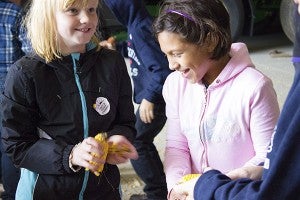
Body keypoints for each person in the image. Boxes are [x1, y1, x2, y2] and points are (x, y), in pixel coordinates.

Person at [156, 1, 300, 200]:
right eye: (166, 55)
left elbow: (268, 159)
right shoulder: (175, 85)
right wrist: (175, 188)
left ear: (210, 41)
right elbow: (177, 146)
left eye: (177, 54)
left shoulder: (255, 87)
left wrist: (214, 188)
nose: (171, 65)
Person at [0, 0, 139, 199]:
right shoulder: (25, 72)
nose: (86, 18)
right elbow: (18, 146)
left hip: (104, 191)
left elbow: (125, 122)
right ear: (47, 17)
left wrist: (115, 140)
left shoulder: (112, 62)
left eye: (91, 9)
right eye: (73, 10)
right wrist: (71, 155)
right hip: (45, 192)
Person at [101, 0, 172, 199]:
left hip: (156, 99)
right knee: (141, 140)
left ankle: (157, 193)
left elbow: (162, 69)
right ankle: (159, 191)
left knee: (138, 141)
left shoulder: (141, 28)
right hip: (153, 96)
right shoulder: (135, 25)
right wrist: (118, 48)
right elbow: (139, 52)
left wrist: (150, 97)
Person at [0, 0, 31, 199]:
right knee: (10, 144)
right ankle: (12, 194)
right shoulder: (16, 13)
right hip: (8, 89)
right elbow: (32, 53)